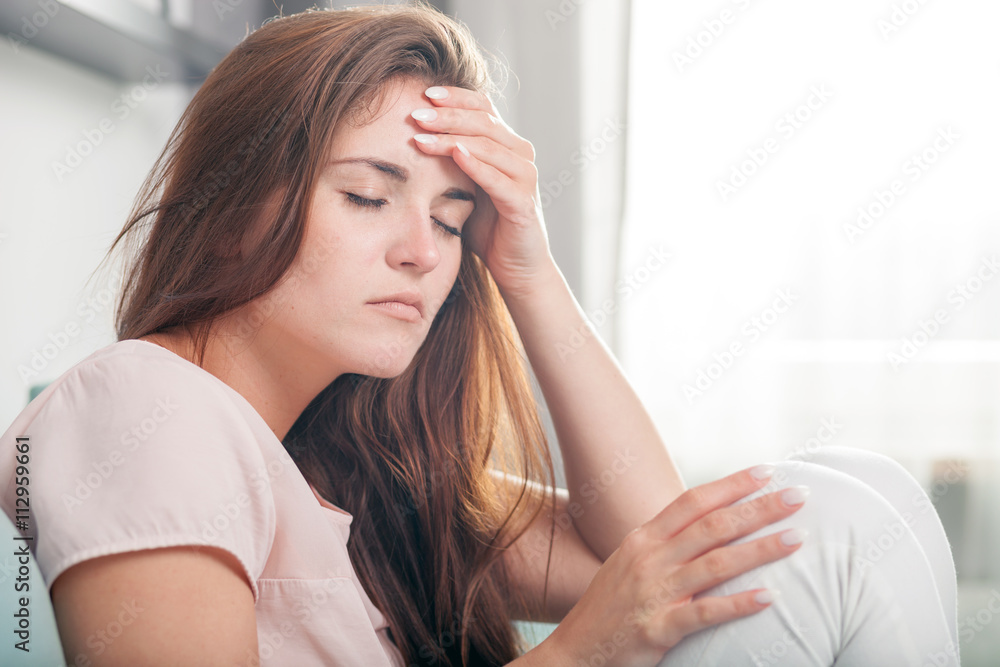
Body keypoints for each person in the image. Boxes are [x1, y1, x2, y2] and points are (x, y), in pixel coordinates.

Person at [0, 3, 958, 666]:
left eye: (455, 220)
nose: (424, 250)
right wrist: (583, 651)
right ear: (234, 201)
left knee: (857, 490)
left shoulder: (349, 462)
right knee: (834, 527)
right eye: (369, 195)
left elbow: (660, 552)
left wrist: (528, 269)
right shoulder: (142, 403)